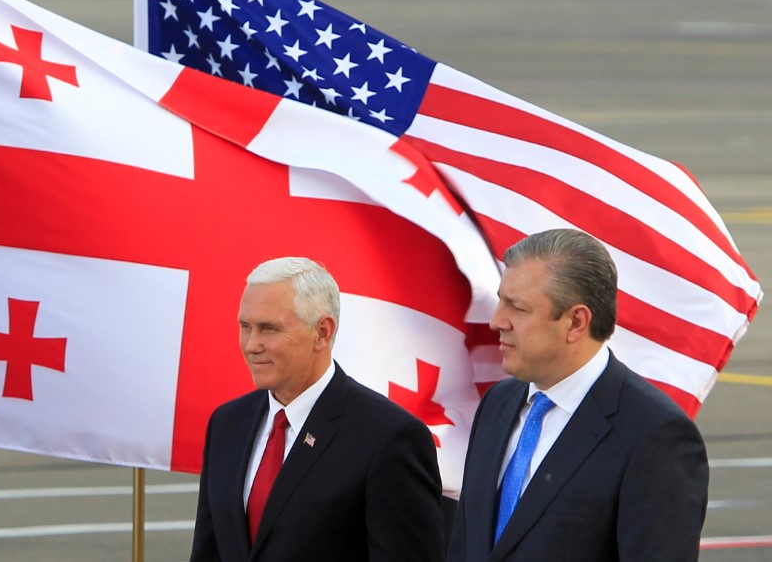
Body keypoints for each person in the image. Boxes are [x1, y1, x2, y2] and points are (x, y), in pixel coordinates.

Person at [447, 229, 708, 561]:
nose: (497, 321)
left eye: (518, 308)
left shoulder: (654, 436)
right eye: (501, 300)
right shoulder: (498, 403)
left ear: (576, 322)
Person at [190, 256, 445, 561]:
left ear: (323, 332)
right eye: (246, 327)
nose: (251, 345)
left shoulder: (388, 437)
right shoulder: (227, 423)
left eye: (269, 329)